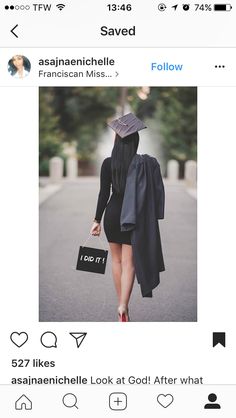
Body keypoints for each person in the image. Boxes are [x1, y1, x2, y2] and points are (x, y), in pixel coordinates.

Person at [90, 113, 165, 322]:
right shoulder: (143, 164)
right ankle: (124, 305)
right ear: (136, 140)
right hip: (133, 217)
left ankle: (120, 306)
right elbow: (155, 193)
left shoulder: (108, 163)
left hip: (113, 215)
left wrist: (96, 220)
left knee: (115, 261)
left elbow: (103, 194)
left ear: (116, 140)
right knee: (129, 263)